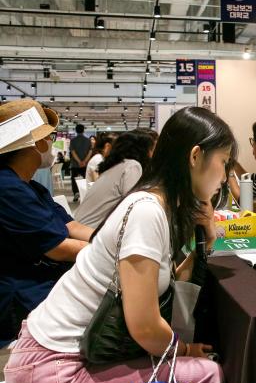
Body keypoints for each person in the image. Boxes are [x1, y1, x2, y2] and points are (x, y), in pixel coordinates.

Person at [4, 106, 235, 383]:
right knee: (208, 377)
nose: (225, 176)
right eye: (223, 163)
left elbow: (173, 287)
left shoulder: (155, 205)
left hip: (53, 362)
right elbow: (144, 327)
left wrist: (204, 233)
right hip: (52, 375)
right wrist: (184, 351)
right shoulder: (147, 211)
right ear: (195, 157)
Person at [0, 100, 94, 348]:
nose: (51, 143)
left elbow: (70, 226)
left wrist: (112, 236)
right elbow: (58, 247)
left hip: (40, 287)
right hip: (22, 301)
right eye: (50, 137)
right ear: (34, 143)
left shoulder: (30, 186)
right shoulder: (7, 187)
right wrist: (114, 250)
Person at [74, 129, 156, 228]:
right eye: (152, 149)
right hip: (91, 232)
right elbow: (134, 204)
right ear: (142, 150)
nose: (153, 154)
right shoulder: (132, 166)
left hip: (82, 226)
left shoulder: (118, 165)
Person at [69, 124, 92, 201]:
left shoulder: (73, 140)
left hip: (75, 164)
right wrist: (84, 161)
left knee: (74, 179)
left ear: (76, 130)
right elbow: (90, 151)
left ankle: (76, 192)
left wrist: (79, 161)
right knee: (86, 178)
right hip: (85, 164)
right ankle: (86, 193)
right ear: (83, 130)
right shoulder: (88, 140)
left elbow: (73, 152)